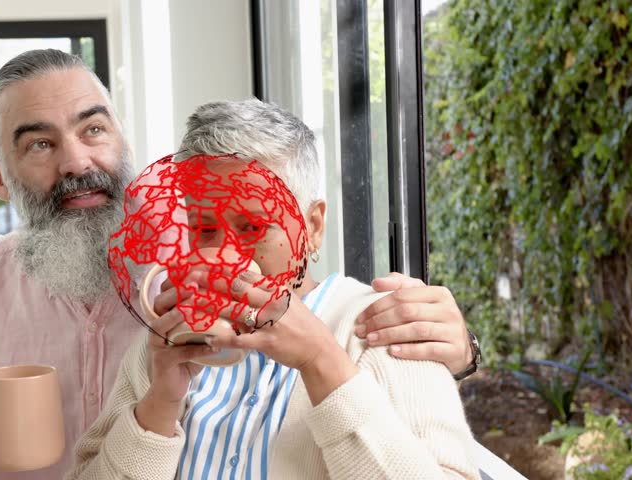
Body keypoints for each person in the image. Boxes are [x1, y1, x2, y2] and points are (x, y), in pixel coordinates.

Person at [0, 49, 477, 479]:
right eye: (40, 144)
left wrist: (460, 348)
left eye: (93, 129)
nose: (77, 161)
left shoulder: (359, 324)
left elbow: (327, 299)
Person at [65, 99, 479, 480]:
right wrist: (159, 403)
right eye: (204, 228)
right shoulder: (164, 345)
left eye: (252, 227)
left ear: (312, 227)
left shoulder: (384, 328)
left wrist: (322, 362)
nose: (225, 253)